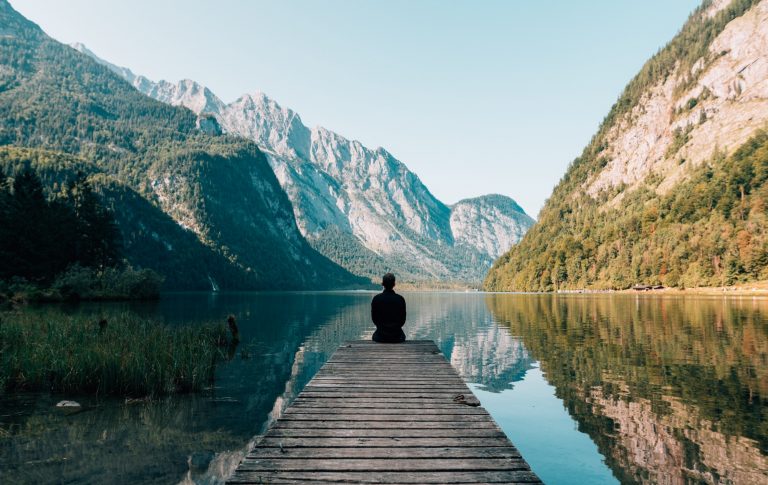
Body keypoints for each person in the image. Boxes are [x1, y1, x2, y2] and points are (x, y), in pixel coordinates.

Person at [371, 273, 406, 343]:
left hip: (380, 337)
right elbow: (403, 320)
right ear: (394, 284)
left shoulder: (376, 299)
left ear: (382, 284)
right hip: (397, 337)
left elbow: (374, 319)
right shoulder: (400, 299)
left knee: (375, 336)